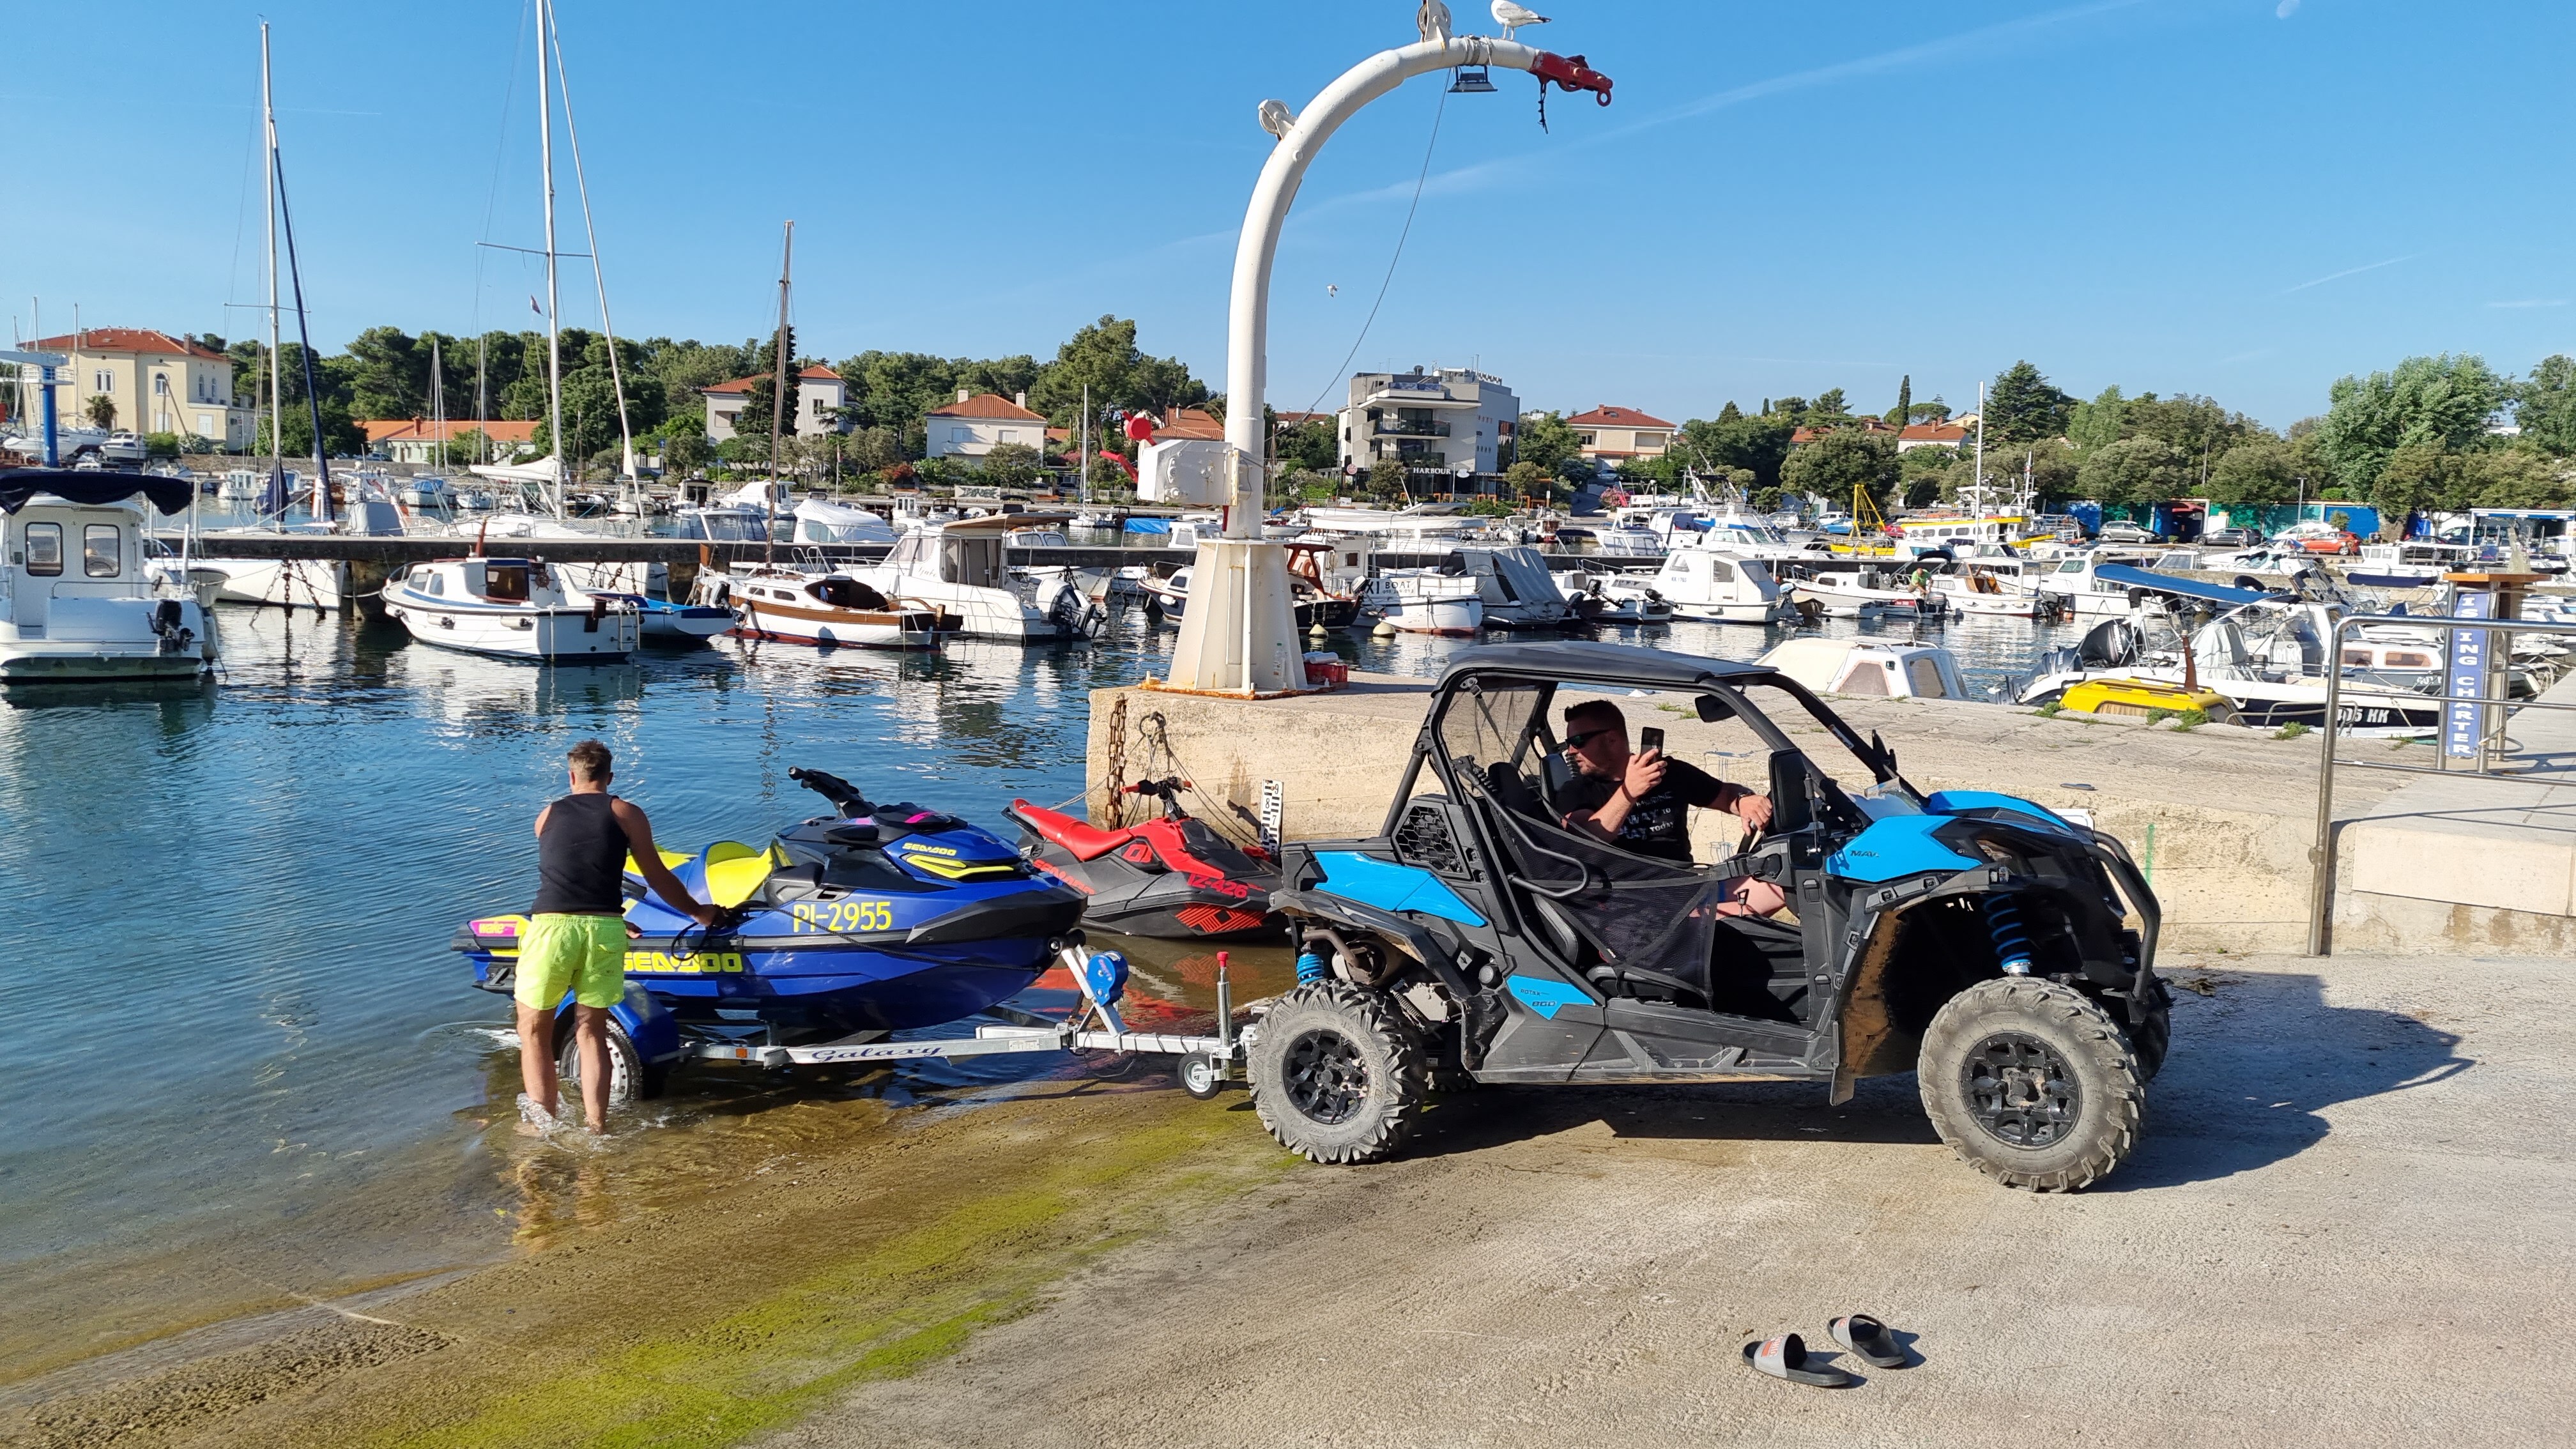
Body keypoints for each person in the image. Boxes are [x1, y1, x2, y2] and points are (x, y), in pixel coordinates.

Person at [518, 739, 717, 1134]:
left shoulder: (547, 816)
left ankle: (544, 1127)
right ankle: (596, 1127)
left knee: (533, 1029)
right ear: (609, 778)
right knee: (591, 1028)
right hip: (605, 929)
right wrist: (699, 912)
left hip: (552, 928)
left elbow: (567, 873)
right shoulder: (626, 812)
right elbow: (657, 876)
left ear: (571, 776)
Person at [1555, 699, 1787, 917]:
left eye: (1577, 742)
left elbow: (1723, 793)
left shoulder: (1669, 773)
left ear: (1611, 739)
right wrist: (1629, 792)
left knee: (1786, 883)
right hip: (1630, 906)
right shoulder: (1576, 790)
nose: (1571, 751)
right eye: (1569, 744)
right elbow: (1582, 841)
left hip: (1687, 889)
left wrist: (1744, 800)